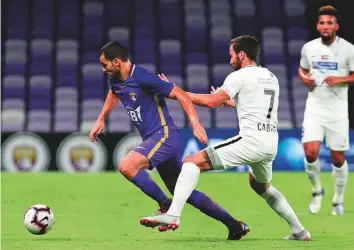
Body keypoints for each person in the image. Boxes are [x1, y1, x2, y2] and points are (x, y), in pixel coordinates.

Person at [141, 35, 311, 241]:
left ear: (241, 54)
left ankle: (172, 214)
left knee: (191, 162)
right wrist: (232, 103)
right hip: (270, 141)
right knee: (260, 186)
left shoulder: (239, 76)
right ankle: (299, 231)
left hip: (252, 140)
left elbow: (211, 102)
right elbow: (255, 104)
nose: (230, 60)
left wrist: (177, 92)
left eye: (231, 55)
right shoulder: (270, 76)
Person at [89, 41, 250, 240]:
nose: (103, 69)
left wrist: (196, 124)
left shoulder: (142, 77)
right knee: (184, 192)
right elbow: (115, 92)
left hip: (163, 135)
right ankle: (235, 225)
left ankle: (165, 205)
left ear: (116, 61)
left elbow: (180, 95)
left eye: (104, 64)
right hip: (158, 138)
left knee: (127, 166)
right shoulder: (116, 78)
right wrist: (101, 118)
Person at [298, 5, 354, 215]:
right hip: (315, 107)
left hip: (338, 110)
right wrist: (305, 79)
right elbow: (302, 70)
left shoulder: (348, 49)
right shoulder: (309, 48)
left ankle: (338, 199)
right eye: (322, 22)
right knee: (310, 152)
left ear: (336, 26)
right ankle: (316, 190)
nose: (325, 26)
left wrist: (339, 79)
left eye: (329, 22)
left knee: (338, 158)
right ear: (317, 26)